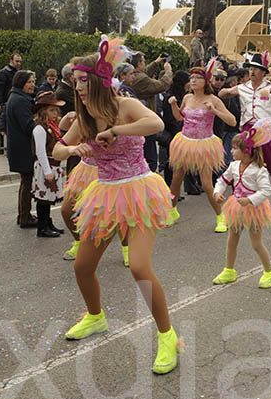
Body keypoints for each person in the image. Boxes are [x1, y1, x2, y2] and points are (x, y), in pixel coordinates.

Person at [52, 38, 181, 374]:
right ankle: (95, 316)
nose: (77, 87)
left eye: (82, 80)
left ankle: (167, 337)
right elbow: (57, 150)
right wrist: (72, 151)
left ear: (98, 81)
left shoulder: (124, 104)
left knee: (139, 266)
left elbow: (156, 124)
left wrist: (116, 129)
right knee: (82, 267)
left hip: (139, 189)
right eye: (75, 81)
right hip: (104, 193)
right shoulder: (83, 117)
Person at [218, 52, 271, 208]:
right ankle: (240, 194)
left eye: (256, 69)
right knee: (242, 160)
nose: (252, 72)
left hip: (266, 129)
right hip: (248, 127)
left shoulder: (270, 87)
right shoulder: (242, 87)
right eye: (251, 69)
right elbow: (223, 93)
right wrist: (225, 91)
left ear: (263, 72)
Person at [166, 63, 236, 231]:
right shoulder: (187, 98)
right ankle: (172, 211)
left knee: (206, 184)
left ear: (206, 81)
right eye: (191, 78)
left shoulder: (213, 100)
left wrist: (215, 111)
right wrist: (173, 105)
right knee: (176, 180)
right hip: (185, 142)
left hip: (204, 144)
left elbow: (232, 121)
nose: (193, 81)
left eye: (197, 78)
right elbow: (179, 118)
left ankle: (221, 217)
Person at [211, 120, 271, 288]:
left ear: (246, 151)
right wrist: (217, 192)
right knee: (232, 239)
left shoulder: (260, 170)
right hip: (236, 206)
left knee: (256, 244)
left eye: (235, 148)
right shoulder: (234, 165)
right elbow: (223, 180)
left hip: (253, 208)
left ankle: (269, 272)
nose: (231, 151)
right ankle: (229, 270)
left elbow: (266, 191)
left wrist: (250, 200)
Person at [127, 52, 173, 171]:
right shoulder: (140, 79)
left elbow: (142, 74)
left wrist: (156, 63)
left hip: (136, 121)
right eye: (144, 62)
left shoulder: (135, 76)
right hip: (144, 122)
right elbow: (161, 85)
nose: (145, 64)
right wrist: (168, 72)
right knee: (149, 157)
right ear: (138, 64)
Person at [30, 91, 67, 238]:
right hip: (46, 166)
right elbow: (40, 152)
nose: (55, 113)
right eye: (51, 110)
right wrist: (47, 171)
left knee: (50, 197)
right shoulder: (40, 128)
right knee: (44, 199)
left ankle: (48, 223)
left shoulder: (53, 127)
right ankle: (42, 227)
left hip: (54, 165)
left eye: (56, 110)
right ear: (43, 112)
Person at [5, 70, 38, 228]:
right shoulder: (20, 100)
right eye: (29, 82)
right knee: (27, 183)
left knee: (25, 182)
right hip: (23, 148)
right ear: (21, 83)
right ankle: (25, 217)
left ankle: (23, 215)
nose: (32, 85)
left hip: (19, 147)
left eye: (33, 81)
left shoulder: (17, 97)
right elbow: (28, 126)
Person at [0, 52, 22, 137]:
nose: (19, 63)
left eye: (20, 62)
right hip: (6, 101)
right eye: (17, 61)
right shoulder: (4, 72)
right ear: (11, 61)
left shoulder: (18, 72)